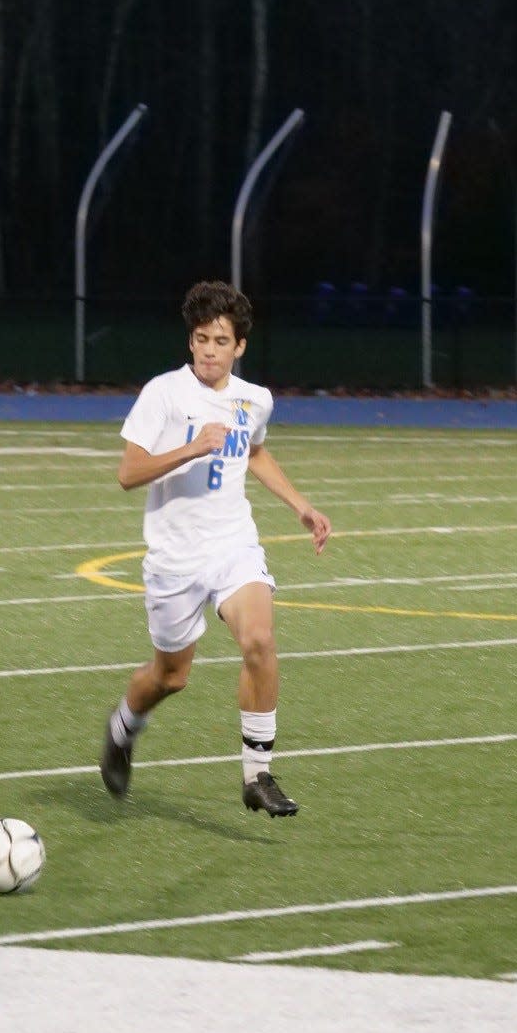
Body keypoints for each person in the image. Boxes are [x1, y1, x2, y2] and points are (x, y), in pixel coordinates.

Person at [100, 280, 332, 817]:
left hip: (233, 544)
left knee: (258, 640)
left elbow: (255, 454)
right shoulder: (164, 393)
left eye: (220, 340)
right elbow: (128, 473)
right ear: (190, 341)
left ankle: (258, 774)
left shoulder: (254, 400)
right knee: (170, 677)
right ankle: (124, 725)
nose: (209, 349)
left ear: (240, 346)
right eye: (201, 338)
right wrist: (190, 448)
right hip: (174, 559)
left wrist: (301, 505)